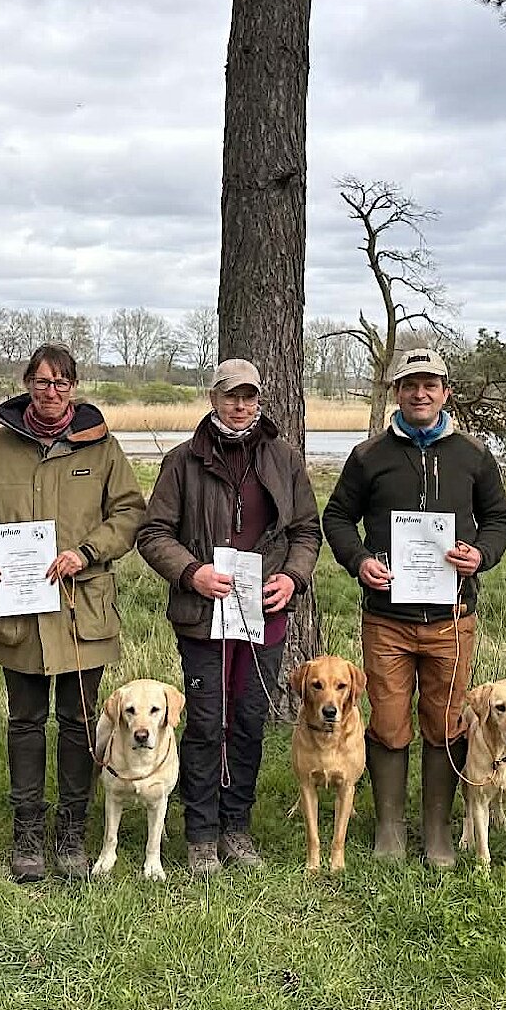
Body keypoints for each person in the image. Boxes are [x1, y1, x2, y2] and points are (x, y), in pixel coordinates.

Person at [321, 347, 506, 869]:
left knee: (446, 721)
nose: (420, 393)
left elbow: (500, 519)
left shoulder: (473, 455)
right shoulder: (369, 455)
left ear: (446, 393)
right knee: (387, 722)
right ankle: (389, 828)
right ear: (397, 393)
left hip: (451, 617)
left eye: (430, 385)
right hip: (387, 619)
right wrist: (359, 560)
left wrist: (482, 554)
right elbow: (337, 518)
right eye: (410, 385)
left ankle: (437, 831)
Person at [0, 343, 146, 883]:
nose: (51, 391)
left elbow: (130, 513)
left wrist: (86, 552)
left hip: (82, 611)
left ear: (74, 387)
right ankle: (27, 833)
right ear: (27, 384)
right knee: (24, 721)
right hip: (19, 611)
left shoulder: (102, 447)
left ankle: (71, 832)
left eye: (61, 382)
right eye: (41, 382)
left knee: (78, 722)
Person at [135, 358, 322, 875]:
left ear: (259, 400)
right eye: (230, 395)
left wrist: (293, 577)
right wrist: (191, 572)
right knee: (204, 722)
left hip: (263, 614)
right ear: (213, 398)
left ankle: (236, 828)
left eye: (249, 396)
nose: (240, 406)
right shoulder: (183, 461)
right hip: (203, 614)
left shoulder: (284, 459)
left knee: (248, 720)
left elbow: (306, 530)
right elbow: (152, 534)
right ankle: (200, 833)